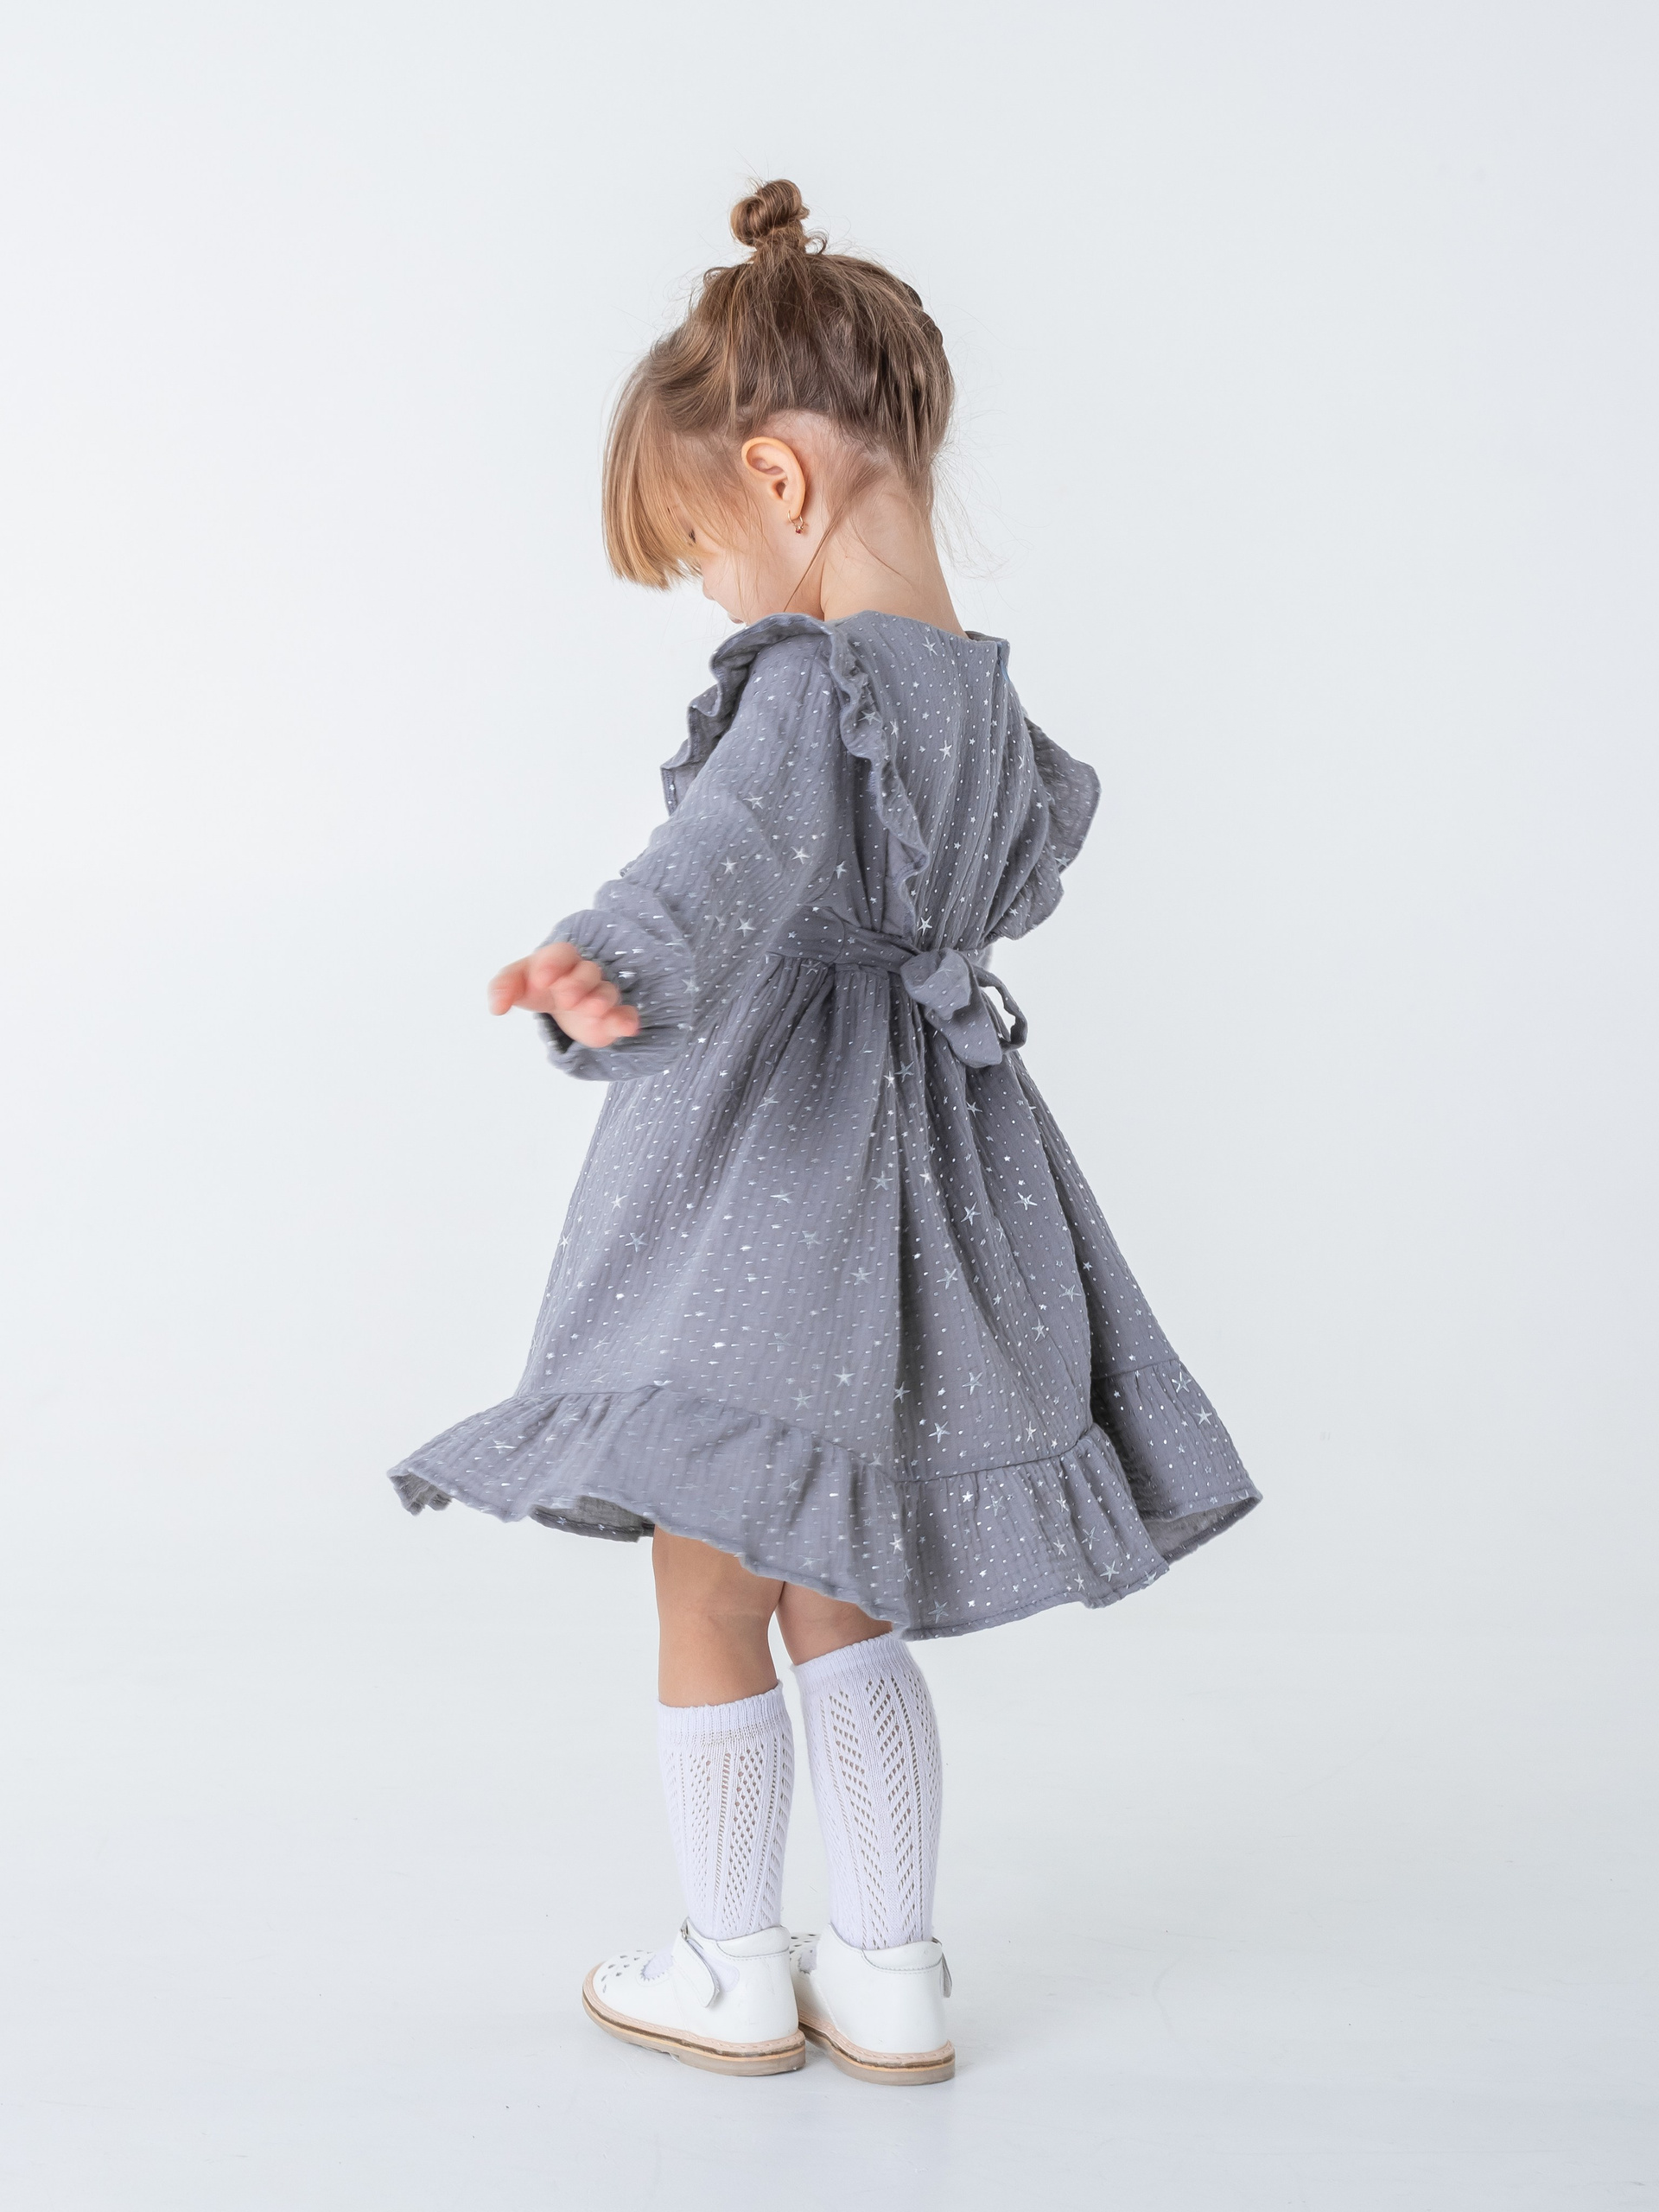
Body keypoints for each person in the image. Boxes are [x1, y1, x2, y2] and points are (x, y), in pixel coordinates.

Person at [389, 178, 1259, 2085]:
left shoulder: (810, 686)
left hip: (775, 1166)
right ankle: (892, 1969)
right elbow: (1000, 881)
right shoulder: (989, 706)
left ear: (777, 480)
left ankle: (732, 1962)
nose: (716, 593)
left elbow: (723, 856)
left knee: (707, 1565)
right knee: (835, 1574)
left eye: (704, 549)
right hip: (932, 1166)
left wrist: (608, 960)